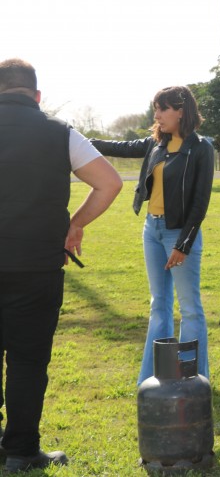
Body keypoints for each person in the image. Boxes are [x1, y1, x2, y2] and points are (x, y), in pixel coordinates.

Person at [0, 58, 122, 472]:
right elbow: (110, 182)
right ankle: (20, 450)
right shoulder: (59, 133)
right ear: (37, 96)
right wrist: (75, 224)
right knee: (28, 363)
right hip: (37, 265)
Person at [90, 86, 214, 385]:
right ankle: (153, 378)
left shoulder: (200, 148)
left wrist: (183, 244)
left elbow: (199, 203)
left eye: (162, 108)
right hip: (152, 230)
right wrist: (79, 140)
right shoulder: (155, 144)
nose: (156, 115)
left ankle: (193, 379)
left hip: (179, 235)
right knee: (158, 304)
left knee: (190, 309)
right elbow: (118, 147)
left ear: (181, 111)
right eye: (155, 108)